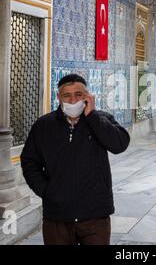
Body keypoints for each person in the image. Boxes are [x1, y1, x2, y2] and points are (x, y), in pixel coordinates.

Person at [20, 74, 130, 245]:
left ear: (87, 96)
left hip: (95, 216)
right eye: (67, 95)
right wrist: (47, 191)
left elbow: (120, 144)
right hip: (57, 217)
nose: (72, 100)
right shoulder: (44, 125)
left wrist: (92, 115)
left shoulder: (101, 119)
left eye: (78, 94)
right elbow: (29, 161)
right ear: (59, 97)